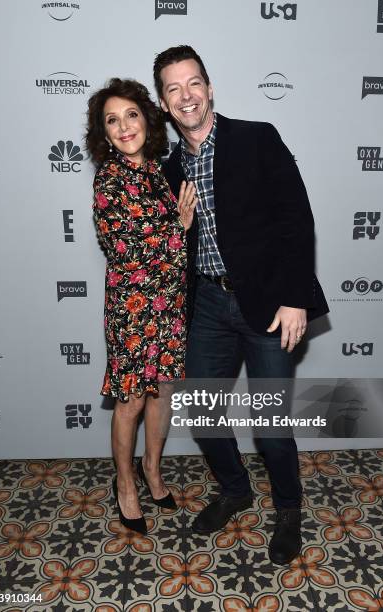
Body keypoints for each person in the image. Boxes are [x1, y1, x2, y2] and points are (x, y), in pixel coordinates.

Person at [153, 46, 329, 564]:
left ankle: (289, 508)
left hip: (269, 303)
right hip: (206, 302)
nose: (186, 96)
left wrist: (296, 297)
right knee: (203, 415)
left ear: (210, 88)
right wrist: (176, 231)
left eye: (194, 83)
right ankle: (235, 490)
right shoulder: (168, 170)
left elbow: (297, 219)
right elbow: (167, 248)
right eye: (173, 88)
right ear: (164, 103)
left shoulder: (257, 138)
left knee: (270, 425)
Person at [86, 78, 197, 535]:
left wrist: (176, 232)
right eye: (112, 120)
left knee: (163, 391)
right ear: (104, 133)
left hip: (169, 302)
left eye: (130, 114)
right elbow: (128, 254)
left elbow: (161, 250)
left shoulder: (156, 169)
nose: (123, 126)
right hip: (132, 308)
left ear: (146, 120)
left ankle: (153, 469)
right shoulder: (108, 180)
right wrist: (180, 226)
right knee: (131, 400)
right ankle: (125, 483)